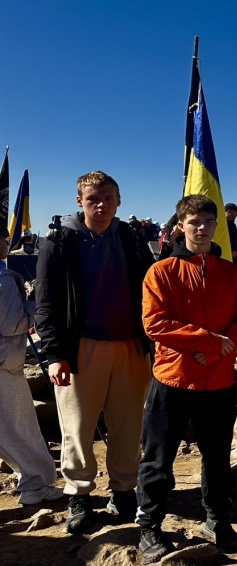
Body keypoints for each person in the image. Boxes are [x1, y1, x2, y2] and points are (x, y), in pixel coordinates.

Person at [135, 195, 237, 562]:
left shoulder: (231, 273)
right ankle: (149, 527)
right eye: (194, 222)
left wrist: (220, 349)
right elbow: (155, 323)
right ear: (181, 226)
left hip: (218, 381)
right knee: (158, 459)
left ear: (216, 225)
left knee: (217, 458)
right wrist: (209, 341)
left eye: (208, 221)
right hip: (172, 379)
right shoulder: (161, 272)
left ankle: (217, 520)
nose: (202, 228)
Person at [34, 171, 155, 533]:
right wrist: (55, 354)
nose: (101, 205)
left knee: (128, 425)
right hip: (80, 347)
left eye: (108, 198)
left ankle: (124, 490)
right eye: (93, 199)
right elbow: (45, 303)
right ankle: (79, 495)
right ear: (79, 201)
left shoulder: (132, 239)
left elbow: (149, 291)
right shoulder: (60, 241)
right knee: (77, 427)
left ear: (119, 200)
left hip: (130, 346)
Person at [0, 226, 64, 506]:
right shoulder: (3, 279)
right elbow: (12, 324)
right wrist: (35, 305)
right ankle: (35, 484)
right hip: (4, 365)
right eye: (5, 239)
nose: (7, 244)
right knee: (19, 430)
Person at [224, 202, 237, 267]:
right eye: (235, 211)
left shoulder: (232, 225)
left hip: (235, 261)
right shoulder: (222, 224)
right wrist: (230, 251)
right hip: (227, 260)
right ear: (229, 211)